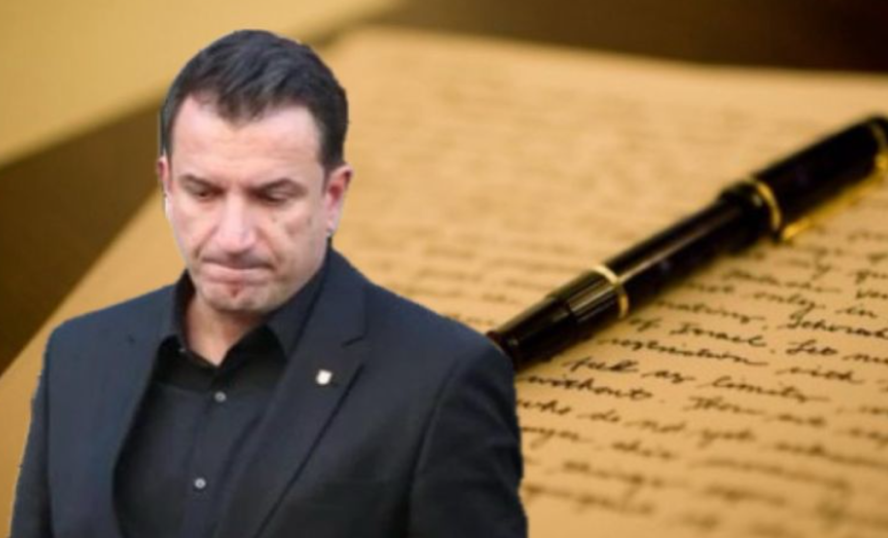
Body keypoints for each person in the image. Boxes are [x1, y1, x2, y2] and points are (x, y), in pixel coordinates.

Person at [10, 29, 526, 538]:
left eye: (272, 197)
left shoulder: (445, 377)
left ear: (332, 196)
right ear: (167, 185)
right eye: (203, 192)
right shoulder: (76, 354)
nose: (234, 238)